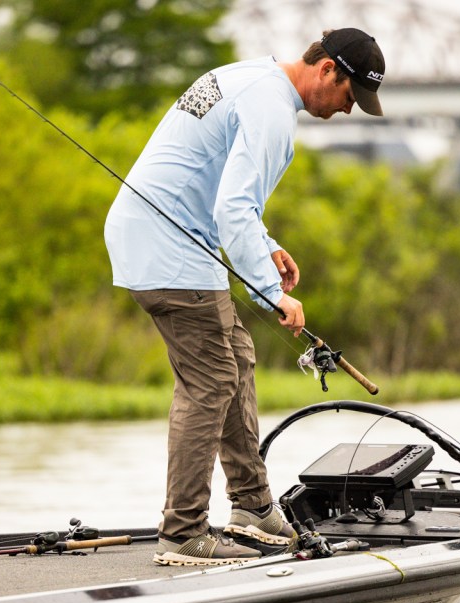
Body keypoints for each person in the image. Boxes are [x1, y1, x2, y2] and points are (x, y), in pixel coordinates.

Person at [104, 28, 386, 566]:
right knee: (210, 380)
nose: (348, 110)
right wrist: (272, 295)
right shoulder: (272, 111)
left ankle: (253, 507)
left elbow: (220, 191)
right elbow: (233, 209)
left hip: (161, 239)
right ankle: (183, 532)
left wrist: (267, 245)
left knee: (235, 356)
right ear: (327, 69)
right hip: (170, 250)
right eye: (350, 96)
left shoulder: (252, 78)